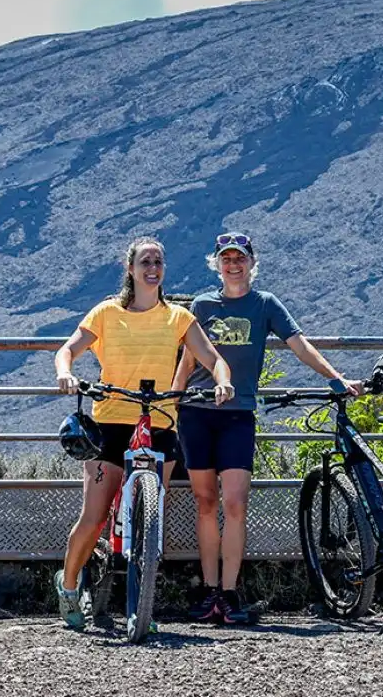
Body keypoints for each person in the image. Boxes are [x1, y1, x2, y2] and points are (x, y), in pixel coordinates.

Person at [175, 231, 359, 625]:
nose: (233, 264)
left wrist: (336, 378)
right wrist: (172, 404)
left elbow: (299, 344)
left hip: (238, 413)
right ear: (217, 264)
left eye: (240, 258)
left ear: (252, 263)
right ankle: (208, 590)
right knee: (205, 502)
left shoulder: (265, 305)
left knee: (235, 503)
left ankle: (229, 592)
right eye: (226, 258)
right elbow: (189, 361)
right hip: (196, 411)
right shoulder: (202, 305)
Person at [52, 236, 235, 631]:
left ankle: (141, 604)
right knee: (95, 516)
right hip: (112, 421)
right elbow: (67, 350)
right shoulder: (107, 312)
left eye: (158, 262)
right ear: (131, 269)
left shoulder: (178, 318)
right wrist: (66, 373)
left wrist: (223, 381)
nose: (153, 268)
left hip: (159, 422)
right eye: (145, 262)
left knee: (150, 523)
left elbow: (213, 358)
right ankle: (68, 585)